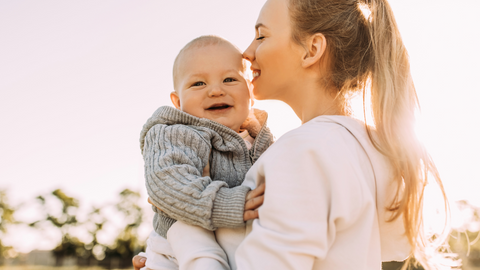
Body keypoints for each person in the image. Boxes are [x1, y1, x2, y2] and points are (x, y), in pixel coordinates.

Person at [135, 0, 453, 269]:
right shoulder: (372, 151)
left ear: (311, 50)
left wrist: (182, 235)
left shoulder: (304, 153)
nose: (246, 53)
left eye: (261, 35)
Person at [138, 35, 274, 270]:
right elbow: (166, 180)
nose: (215, 90)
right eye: (198, 84)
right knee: (206, 258)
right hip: (182, 236)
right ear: (178, 102)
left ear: (250, 93)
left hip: (236, 246)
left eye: (229, 79)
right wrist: (224, 203)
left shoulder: (262, 140)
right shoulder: (175, 132)